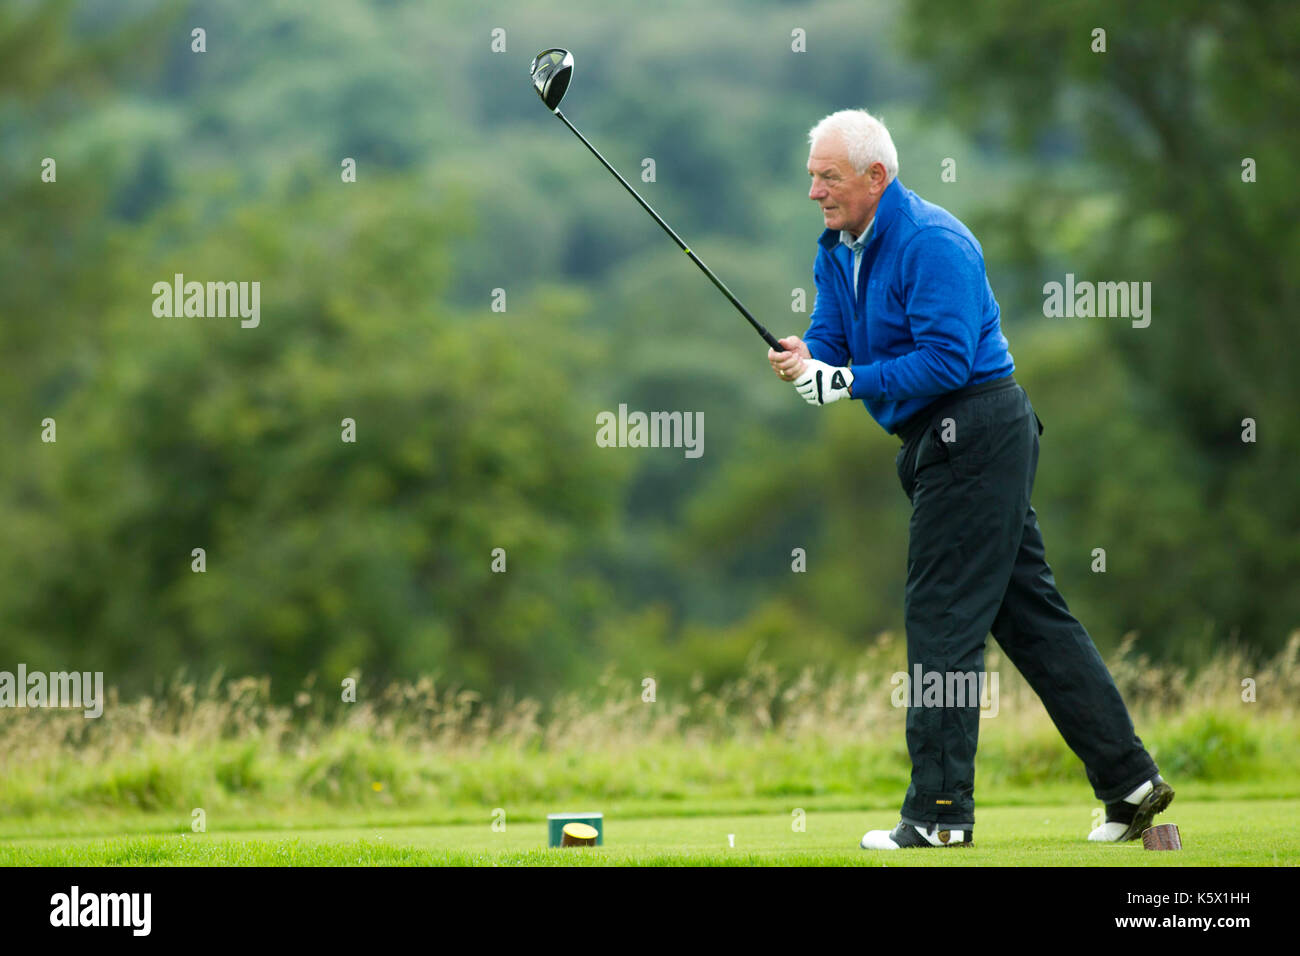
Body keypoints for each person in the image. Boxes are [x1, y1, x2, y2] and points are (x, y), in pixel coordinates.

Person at [769, 109, 1173, 849]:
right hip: (940, 444)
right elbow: (831, 337)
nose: (815, 192)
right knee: (1029, 616)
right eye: (812, 177)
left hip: (976, 429)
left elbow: (947, 362)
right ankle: (1130, 782)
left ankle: (940, 814)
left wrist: (847, 380)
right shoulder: (837, 248)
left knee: (943, 621)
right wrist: (807, 359)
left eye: (828, 177)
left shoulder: (932, 242)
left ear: (875, 178)